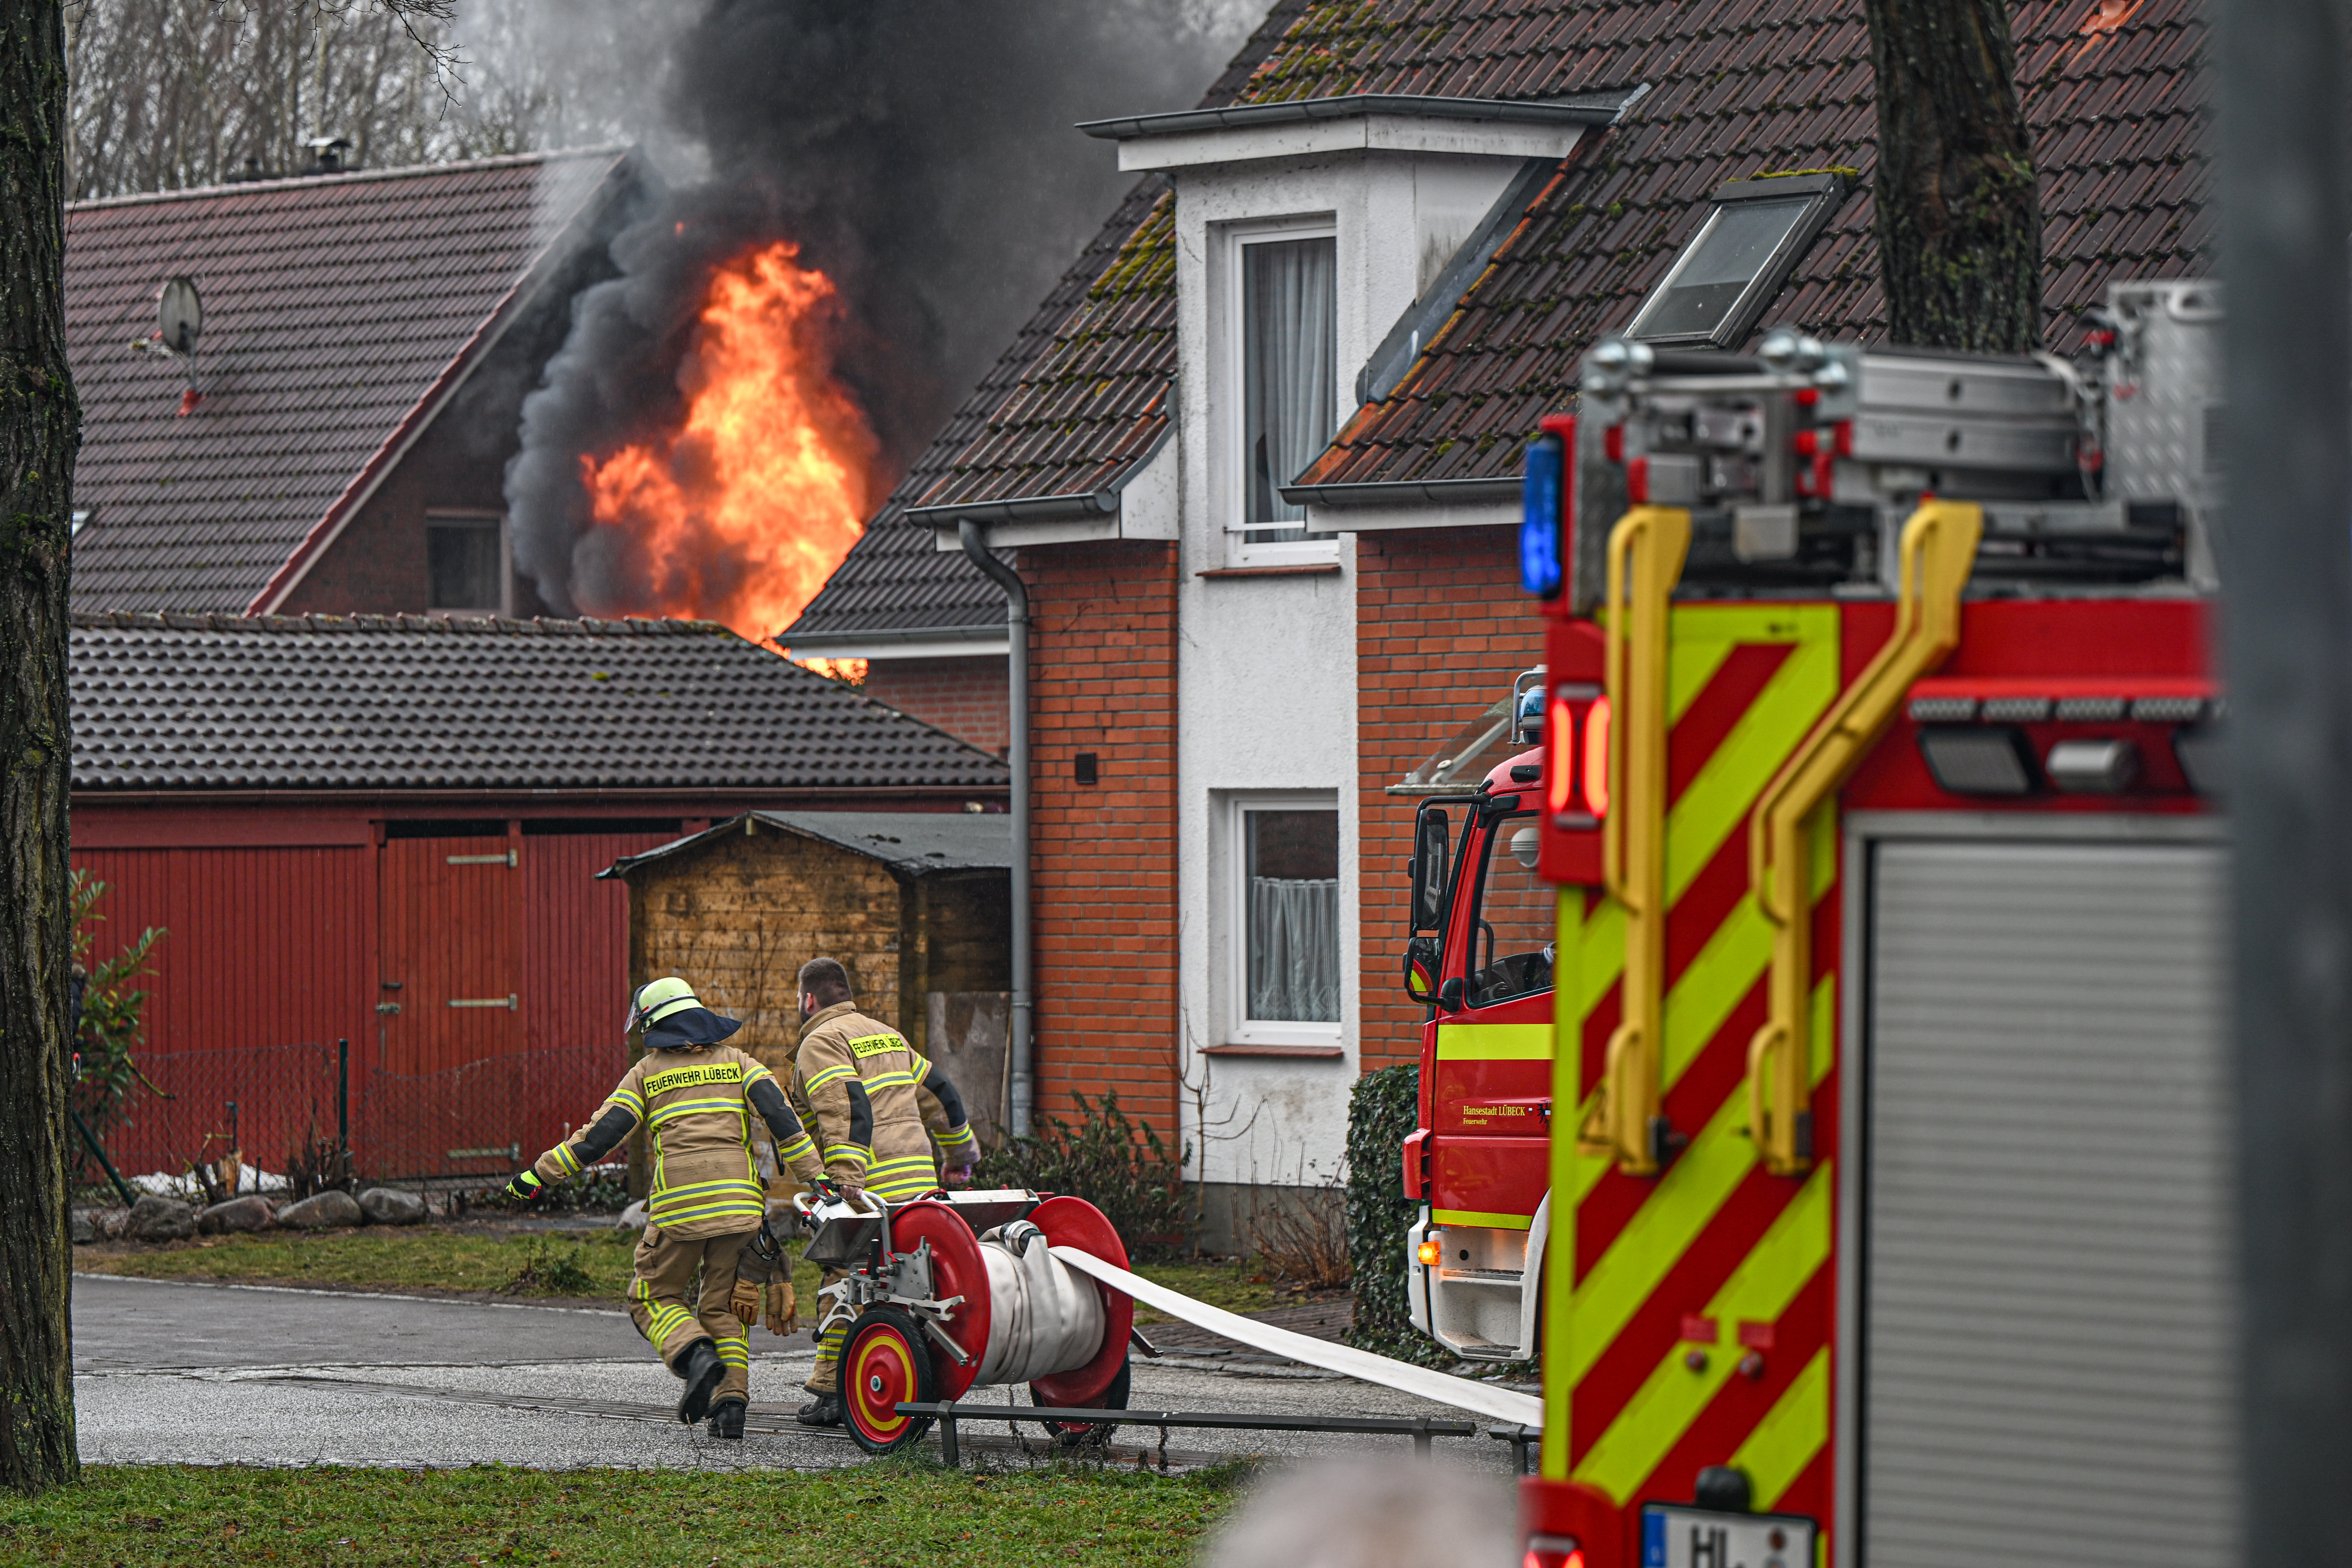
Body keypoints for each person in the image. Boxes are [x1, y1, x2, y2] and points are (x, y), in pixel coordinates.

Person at [506, 975, 830, 1440]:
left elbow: (600, 1136)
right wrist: (816, 1178)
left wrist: (540, 1173)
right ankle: (731, 1405)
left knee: (652, 1296)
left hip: (680, 1212)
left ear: (654, 1024)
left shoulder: (648, 1071)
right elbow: (783, 1120)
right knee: (721, 1308)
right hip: (741, 1208)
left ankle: (695, 1353)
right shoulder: (740, 1063)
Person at [787, 955, 980, 1426]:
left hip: (870, 1185)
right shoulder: (887, 1035)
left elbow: (844, 1105)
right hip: (919, 1186)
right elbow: (943, 1095)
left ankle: (834, 1390)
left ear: (809, 999)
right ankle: (911, 1367)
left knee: (841, 1278)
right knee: (904, 1283)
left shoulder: (820, 1041)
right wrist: (961, 1158)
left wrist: (845, 1176)